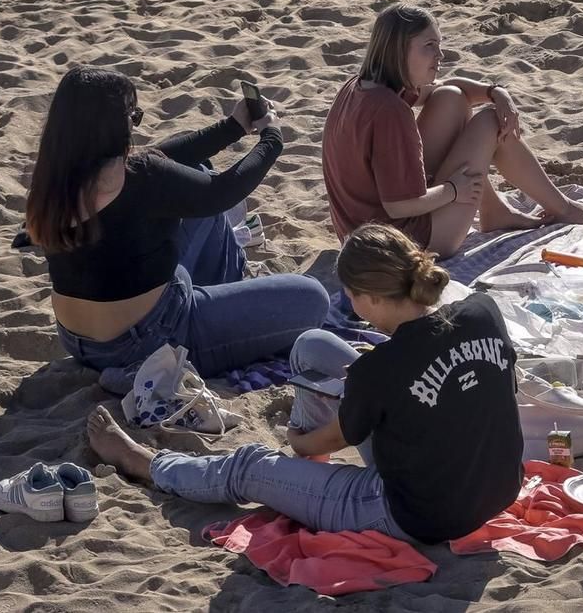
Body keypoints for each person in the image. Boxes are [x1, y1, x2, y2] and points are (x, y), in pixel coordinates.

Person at [87, 222, 524, 543]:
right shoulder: (482, 310)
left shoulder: (384, 368)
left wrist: (299, 443)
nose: (351, 306)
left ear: (371, 296)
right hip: (496, 487)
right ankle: (312, 484)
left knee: (250, 466)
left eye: (351, 296)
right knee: (314, 346)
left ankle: (145, 463)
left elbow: (309, 443)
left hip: (416, 515)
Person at [27, 67, 329, 384]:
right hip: (149, 339)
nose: (134, 125)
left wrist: (233, 127)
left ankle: (226, 298)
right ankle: (207, 322)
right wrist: (272, 137)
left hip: (78, 341)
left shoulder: (53, 180)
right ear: (113, 126)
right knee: (312, 298)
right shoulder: (143, 178)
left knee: (196, 174)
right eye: (133, 116)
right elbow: (224, 191)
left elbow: (162, 156)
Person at [322, 5, 583, 256]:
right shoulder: (391, 112)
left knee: (450, 98)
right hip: (403, 245)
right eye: (429, 46)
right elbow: (399, 206)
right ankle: (562, 209)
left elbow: (448, 89)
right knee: (490, 122)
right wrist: (454, 190)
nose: (440, 55)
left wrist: (496, 92)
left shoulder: (361, 86)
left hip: (364, 236)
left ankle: (495, 211)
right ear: (397, 50)